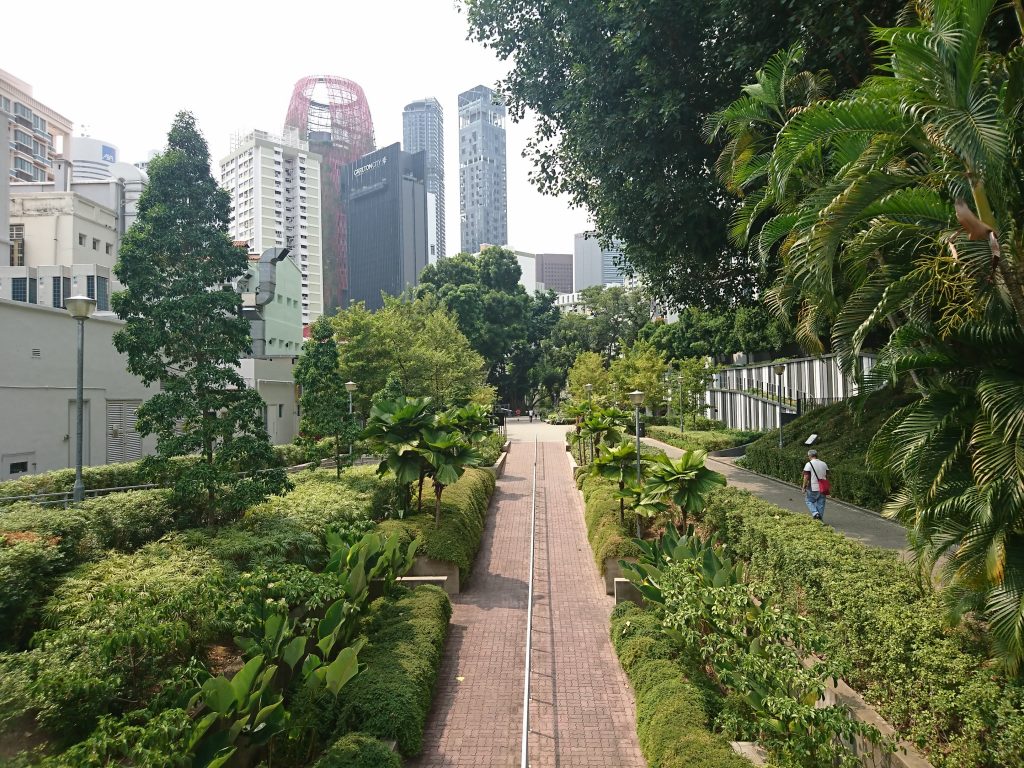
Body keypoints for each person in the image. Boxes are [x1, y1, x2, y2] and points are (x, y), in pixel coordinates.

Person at [802, 449, 829, 521]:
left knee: (808, 500)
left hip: (812, 486)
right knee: (821, 503)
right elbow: (827, 475)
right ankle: (819, 520)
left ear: (810, 456)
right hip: (823, 487)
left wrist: (804, 487)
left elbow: (806, 477)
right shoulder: (824, 464)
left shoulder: (809, 464)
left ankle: (815, 513)